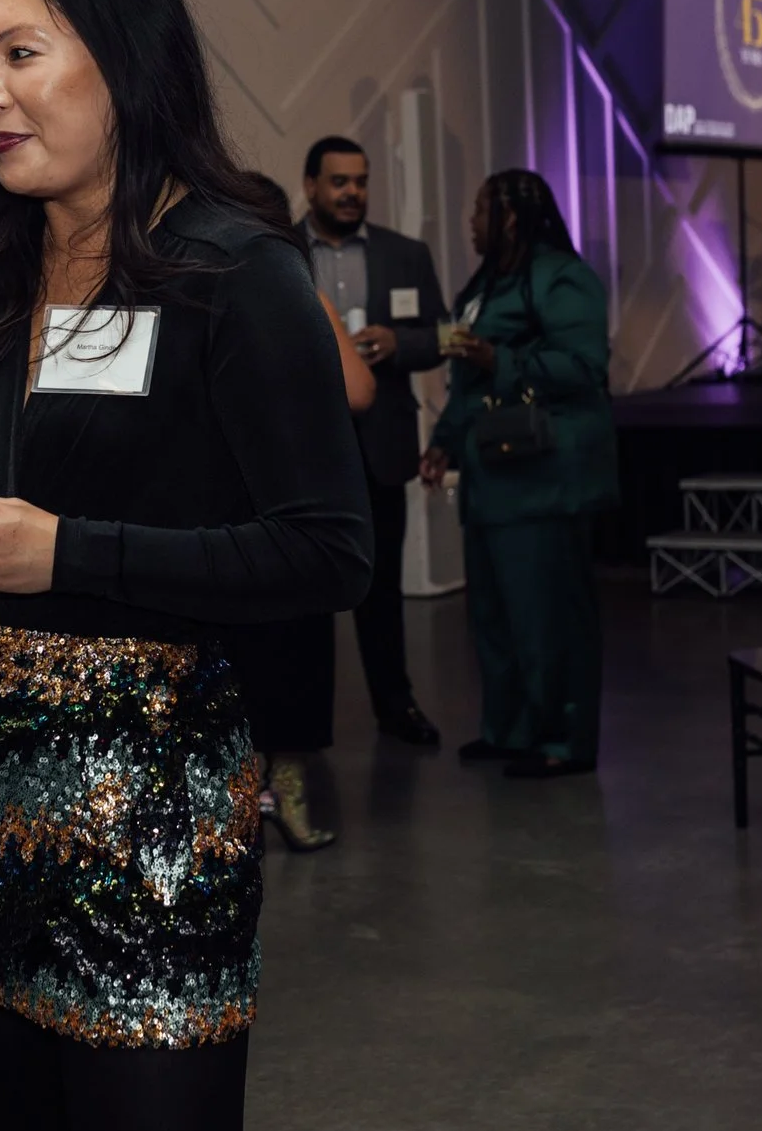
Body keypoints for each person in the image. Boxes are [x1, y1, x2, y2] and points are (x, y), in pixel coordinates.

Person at [0, 0, 371, 1131]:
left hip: (147, 811)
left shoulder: (230, 270)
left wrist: (68, 548)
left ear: (125, 62)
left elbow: (329, 548)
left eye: (23, 52)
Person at [422, 170, 615, 780]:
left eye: (480, 211)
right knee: (496, 618)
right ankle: (509, 730)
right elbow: (465, 374)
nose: (471, 223)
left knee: (549, 618)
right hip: (492, 477)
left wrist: (500, 358)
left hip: (544, 480)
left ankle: (563, 738)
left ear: (508, 217)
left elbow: (585, 365)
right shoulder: (486, 284)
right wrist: (443, 441)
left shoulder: (562, 277)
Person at [233, 175, 377, 852]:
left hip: (254, 506)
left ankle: (260, 798)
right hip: (273, 505)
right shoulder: (290, 290)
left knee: (265, 654)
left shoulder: (263, 293)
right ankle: (272, 795)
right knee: (280, 651)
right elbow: (359, 390)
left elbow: (359, 389)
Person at [299, 135, 447, 747]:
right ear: (311, 187)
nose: (352, 192)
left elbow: (440, 333)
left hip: (382, 441)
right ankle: (306, 728)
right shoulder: (278, 251)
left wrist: (398, 344)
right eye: (339, 182)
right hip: (307, 447)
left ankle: (396, 705)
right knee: (305, 598)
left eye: (360, 181)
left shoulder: (404, 254)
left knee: (381, 588)